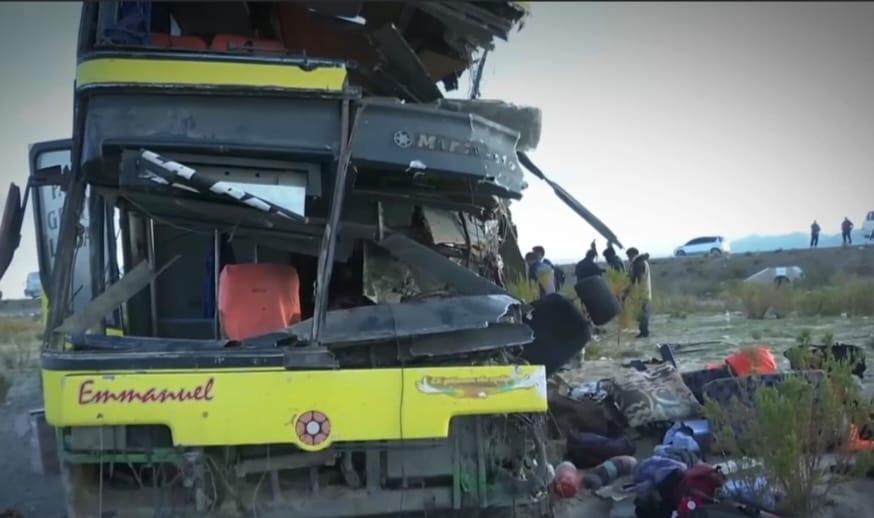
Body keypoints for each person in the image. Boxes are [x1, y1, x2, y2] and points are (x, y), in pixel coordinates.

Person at [626, 247, 652, 338]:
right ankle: (644, 331)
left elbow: (635, 279)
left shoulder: (638, 263)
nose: (628, 259)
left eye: (628, 256)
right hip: (644, 290)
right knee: (642, 312)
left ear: (631, 255)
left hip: (641, 292)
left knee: (642, 313)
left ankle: (644, 332)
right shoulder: (642, 262)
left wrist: (627, 291)